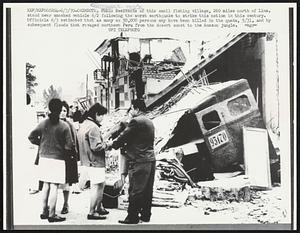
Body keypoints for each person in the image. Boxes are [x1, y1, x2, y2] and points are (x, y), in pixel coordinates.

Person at [107, 99, 156, 224]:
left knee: (135, 190)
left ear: (136, 109)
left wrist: (112, 144)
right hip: (150, 159)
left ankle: (132, 217)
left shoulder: (136, 121)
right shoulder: (149, 121)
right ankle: (146, 215)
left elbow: (124, 135)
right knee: (147, 189)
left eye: (132, 108)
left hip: (139, 160)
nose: (131, 111)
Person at [28, 98, 73, 223]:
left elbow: (31, 136)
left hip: (44, 158)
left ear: (49, 108)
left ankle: (44, 211)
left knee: (46, 185)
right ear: (59, 110)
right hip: (58, 159)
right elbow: (70, 146)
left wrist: (41, 143)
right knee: (54, 186)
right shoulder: (64, 126)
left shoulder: (43, 123)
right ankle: (52, 214)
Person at [77, 103, 109, 220]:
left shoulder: (84, 124)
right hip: (95, 161)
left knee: (100, 184)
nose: (103, 118)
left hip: (86, 161)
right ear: (96, 114)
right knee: (96, 186)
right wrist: (107, 144)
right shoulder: (94, 127)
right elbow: (96, 147)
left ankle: (99, 207)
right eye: (102, 116)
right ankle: (92, 212)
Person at [58, 101, 79, 214]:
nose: (62, 113)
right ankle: (51, 206)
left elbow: (74, 142)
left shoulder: (70, 125)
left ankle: (66, 204)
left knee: (66, 183)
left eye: (65, 111)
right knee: (54, 183)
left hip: (66, 157)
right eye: (60, 110)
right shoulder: (52, 123)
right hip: (55, 157)